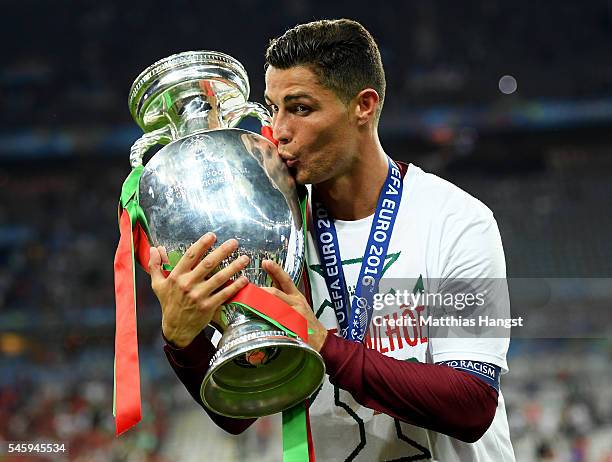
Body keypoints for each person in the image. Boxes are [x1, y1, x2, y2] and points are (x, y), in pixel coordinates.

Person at [148, 19, 516, 461]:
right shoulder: (269, 228)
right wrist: (184, 341)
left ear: (363, 106)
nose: (279, 130)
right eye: (273, 108)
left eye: (300, 108)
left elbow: (471, 404)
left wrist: (322, 343)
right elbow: (240, 411)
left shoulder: (457, 221)